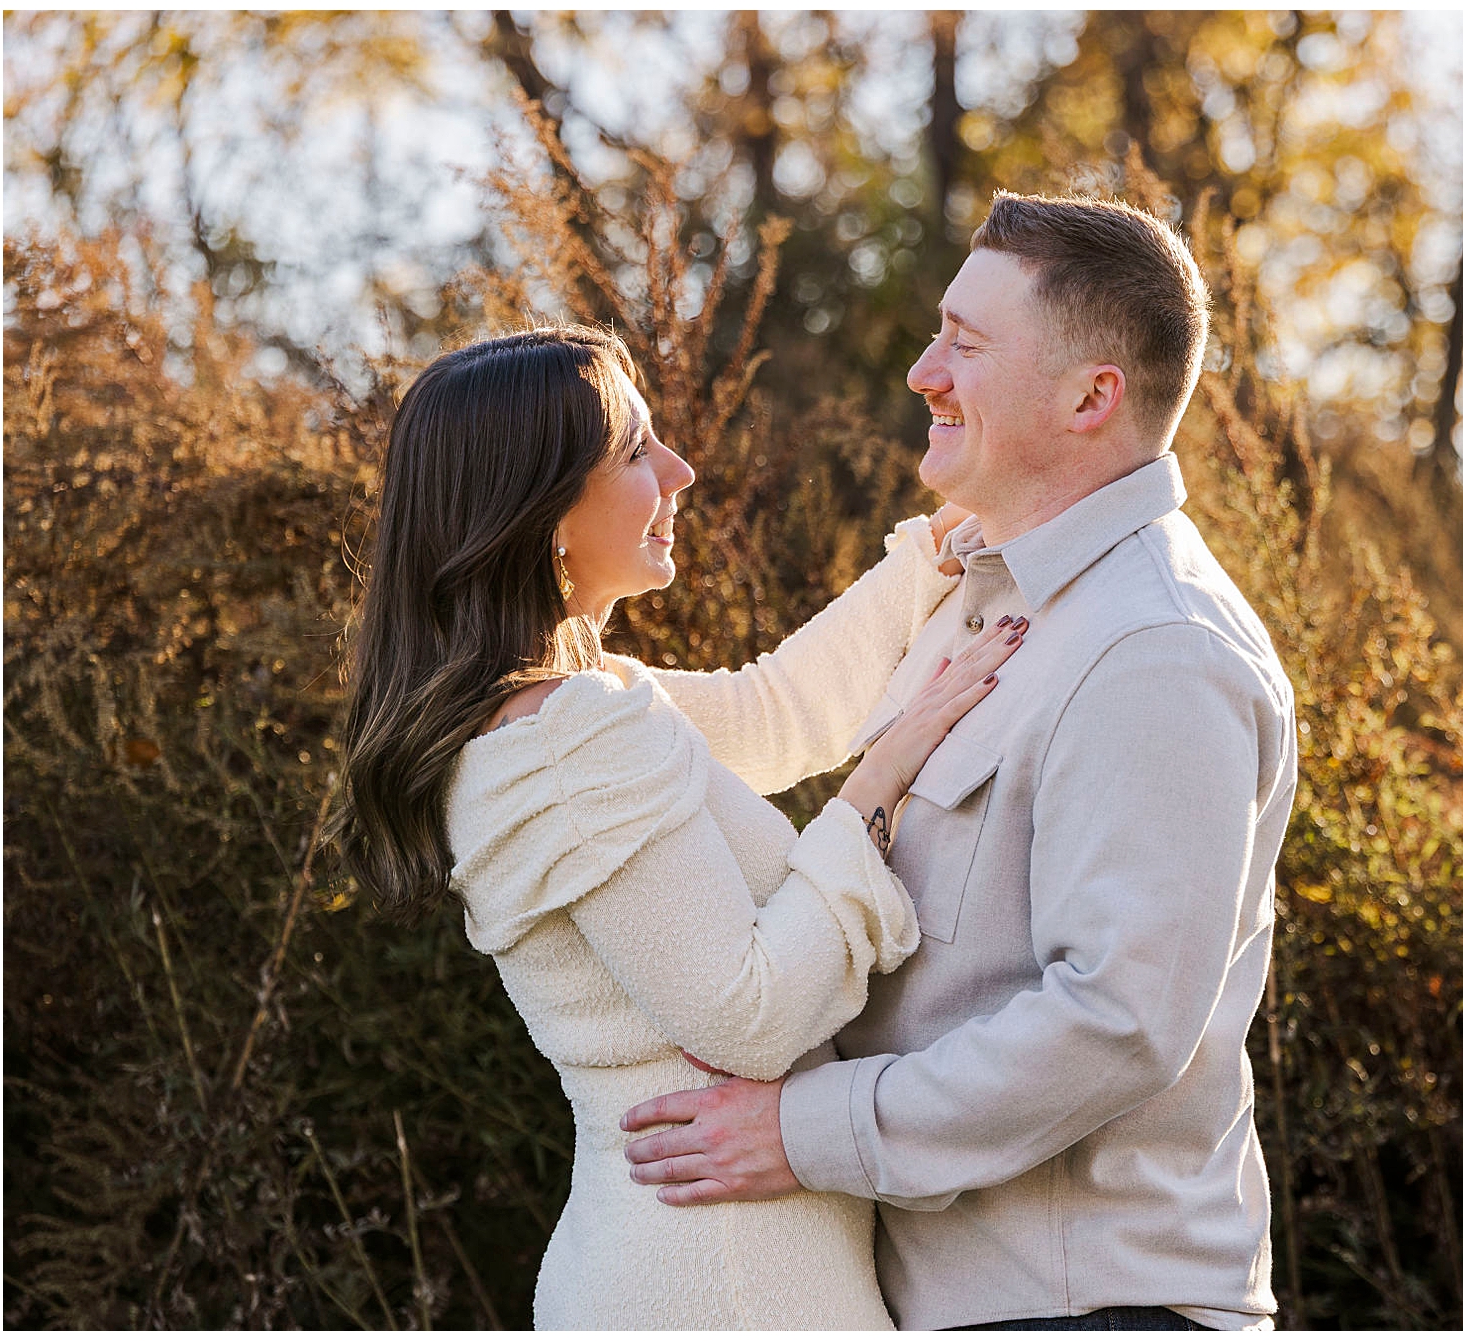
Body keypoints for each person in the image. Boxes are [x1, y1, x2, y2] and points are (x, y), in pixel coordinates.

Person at [622, 193, 1300, 1330]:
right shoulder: (975, 597)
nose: (921, 372)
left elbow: (1117, 1019)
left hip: (1089, 1310)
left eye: (966, 345)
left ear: (1092, 397)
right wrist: (515, 688)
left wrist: (804, 1129)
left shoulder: (1156, 650)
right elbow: (766, 716)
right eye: (938, 330)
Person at [330, 325, 1027, 1328]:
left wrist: (932, 552)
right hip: (714, 1283)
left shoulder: (583, 702)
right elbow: (749, 1018)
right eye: (633, 450)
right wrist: (885, 775)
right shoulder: (557, 742)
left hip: (731, 1266)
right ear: (540, 512)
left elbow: (774, 712)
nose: (681, 469)